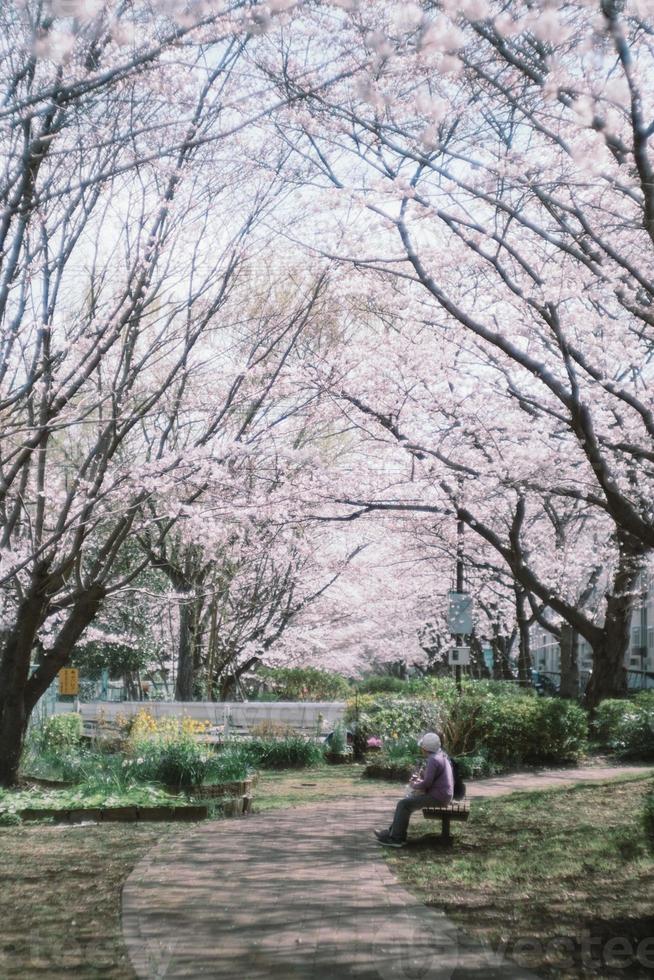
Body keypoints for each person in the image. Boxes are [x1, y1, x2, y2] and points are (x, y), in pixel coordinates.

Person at [374, 732, 453, 848]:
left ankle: (396, 839)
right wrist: (420, 780)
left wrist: (413, 785)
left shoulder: (433, 759)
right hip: (443, 795)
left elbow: (427, 783)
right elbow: (431, 780)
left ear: (425, 748)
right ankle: (392, 833)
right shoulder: (441, 756)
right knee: (407, 804)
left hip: (438, 797)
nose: (421, 748)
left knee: (404, 804)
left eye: (422, 746)